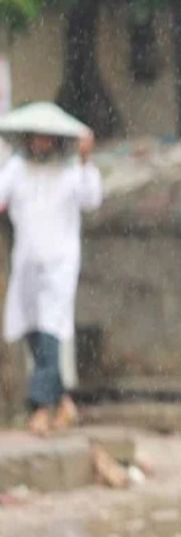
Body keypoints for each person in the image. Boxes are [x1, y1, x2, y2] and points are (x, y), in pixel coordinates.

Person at [0, 129, 101, 435]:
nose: (41, 144)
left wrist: (85, 159)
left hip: (59, 264)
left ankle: (41, 407)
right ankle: (64, 402)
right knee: (30, 329)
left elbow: (91, 198)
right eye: (36, 138)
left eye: (47, 138)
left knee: (50, 331)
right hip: (27, 263)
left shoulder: (70, 170)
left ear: (56, 141)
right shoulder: (16, 168)